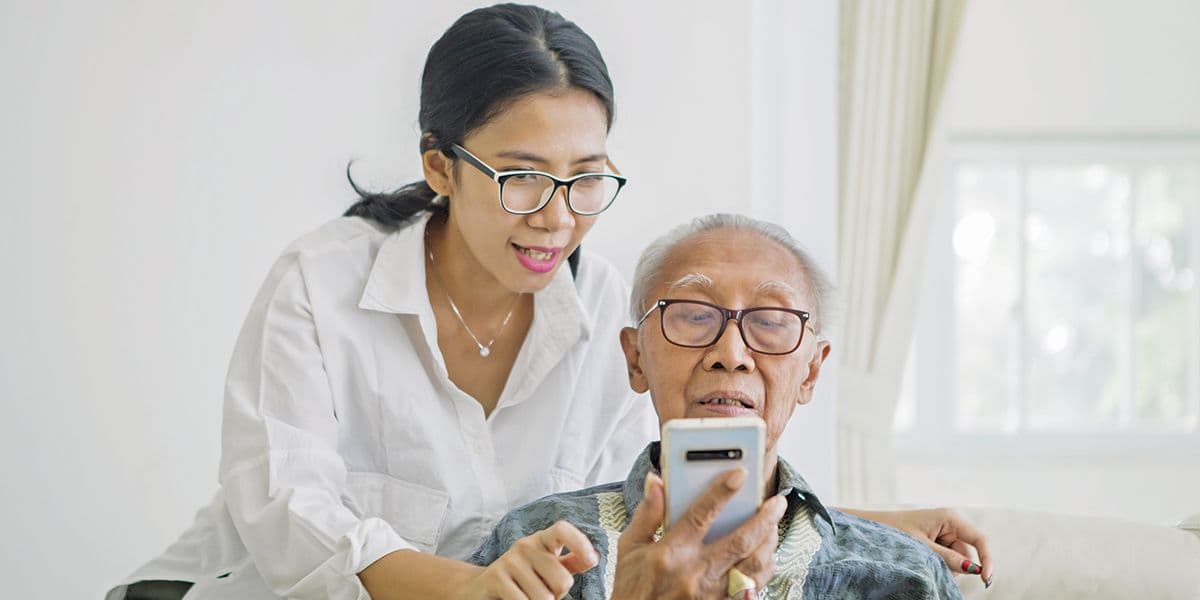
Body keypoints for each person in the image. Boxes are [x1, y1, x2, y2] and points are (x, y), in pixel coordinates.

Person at [107, 4, 991, 599]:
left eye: (586, 180)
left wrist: (861, 525)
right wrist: (476, 588)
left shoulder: (609, 311)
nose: (558, 219)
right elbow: (284, 511)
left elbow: (636, 491)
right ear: (439, 165)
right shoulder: (323, 284)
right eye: (523, 179)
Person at [471, 214, 975, 599]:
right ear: (635, 358)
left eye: (771, 321)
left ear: (812, 371)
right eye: (692, 315)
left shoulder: (902, 575)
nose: (730, 355)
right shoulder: (540, 549)